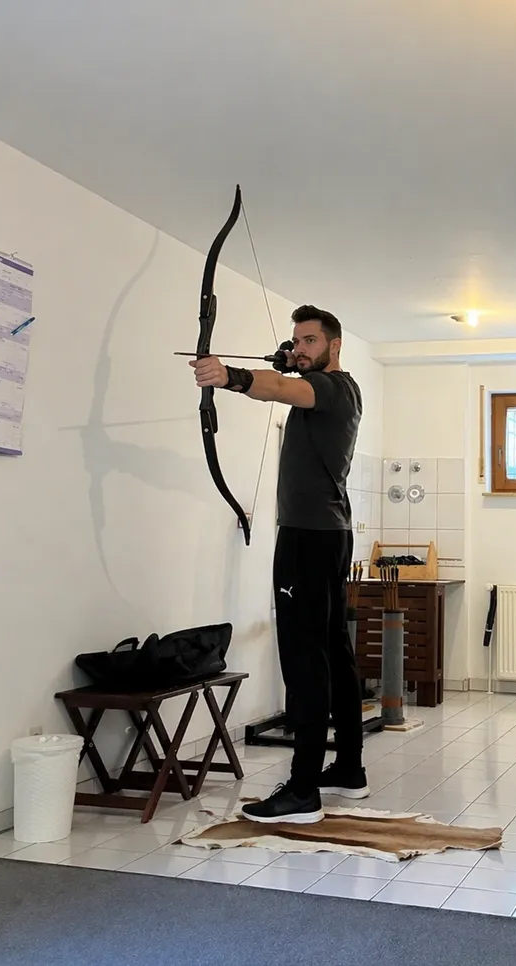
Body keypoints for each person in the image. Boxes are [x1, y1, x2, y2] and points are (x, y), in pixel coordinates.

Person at [191, 304, 369, 824]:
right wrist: (285, 362)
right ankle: (349, 768)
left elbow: (280, 388)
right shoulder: (332, 392)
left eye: (311, 341)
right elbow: (290, 379)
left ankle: (302, 790)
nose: (300, 349)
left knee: (303, 658)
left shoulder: (332, 388)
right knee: (334, 651)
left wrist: (232, 376)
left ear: (334, 345)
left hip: (308, 540)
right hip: (328, 536)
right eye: (297, 341)